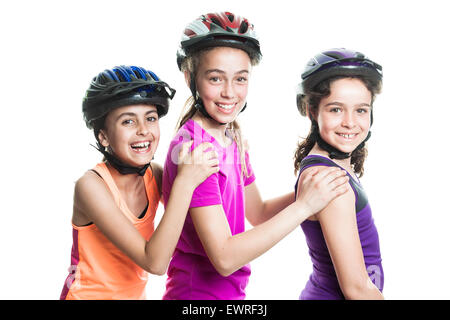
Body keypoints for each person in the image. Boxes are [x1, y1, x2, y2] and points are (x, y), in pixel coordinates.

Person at [161, 12, 351, 300]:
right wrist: (304, 206)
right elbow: (224, 258)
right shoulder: (193, 151)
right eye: (215, 78)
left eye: (240, 79)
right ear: (190, 78)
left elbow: (258, 212)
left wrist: (314, 187)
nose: (229, 93)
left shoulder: (231, 139)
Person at [60, 65, 219, 300]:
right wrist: (184, 183)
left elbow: (190, 216)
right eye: (128, 122)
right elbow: (154, 262)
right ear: (103, 136)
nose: (144, 130)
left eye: (151, 118)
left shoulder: (153, 175)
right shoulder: (91, 186)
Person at [294, 48, 384, 300]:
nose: (350, 122)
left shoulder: (329, 166)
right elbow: (356, 288)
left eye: (361, 110)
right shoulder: (331, 181)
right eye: (336, 109)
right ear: (312, 110)